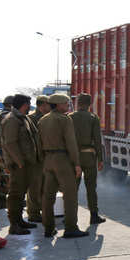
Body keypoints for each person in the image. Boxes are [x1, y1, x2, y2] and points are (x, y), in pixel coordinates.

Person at [38, 93, 87, 238]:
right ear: (58, 105)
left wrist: (44, 161)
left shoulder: (42, 120)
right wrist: (77, 164)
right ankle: (71, 228)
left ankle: (48, 228)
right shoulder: (64, 119)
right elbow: (71, 143)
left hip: (48, 160)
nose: (67, 105)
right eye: (65, 103)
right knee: (70, 195)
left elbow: (38, 144)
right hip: (62, 160)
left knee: (48, 196)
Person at [1, 94, 41, 235]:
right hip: (19, 165)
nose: (30, 106)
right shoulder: (12, 120)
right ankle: (14, 225)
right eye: (28, 104)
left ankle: (19, 221)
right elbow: (10, 143)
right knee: (16, 194)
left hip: (26, 164)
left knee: (21, 194)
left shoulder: (22, 118)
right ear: (23, 104)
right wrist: (19, 163)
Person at [69, 93, 106, 224]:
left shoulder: (69, 117)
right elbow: (97, 140)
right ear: (90, 104)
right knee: (91, 188)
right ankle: (94, 216)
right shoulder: (93, 118)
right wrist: (100, 159)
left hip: (74, 158)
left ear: (77, 103)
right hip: (89, 156)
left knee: (72, 189)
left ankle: (70, 217)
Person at [25, 95, 50, 222]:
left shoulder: (47, 118)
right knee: (35, 185)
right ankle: (33, 213)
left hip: (47, 157)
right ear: (42, 106)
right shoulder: (30, 119)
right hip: (35, 158)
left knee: (46, 185)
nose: (50, 107)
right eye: (48, 105)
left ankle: (41, 210)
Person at [0, 96, 14, 210]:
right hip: (8, 148)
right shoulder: (10, 116)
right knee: (11, 173)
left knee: (3, 172)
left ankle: (2, 198)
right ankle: (10, 199)